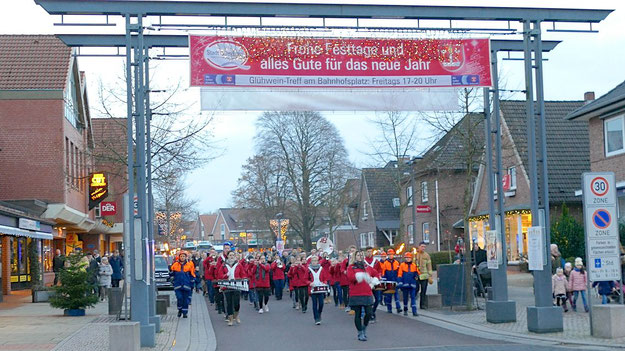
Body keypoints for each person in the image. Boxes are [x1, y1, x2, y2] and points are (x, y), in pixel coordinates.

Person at [347, 250, 380, 342]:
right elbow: (350, 278)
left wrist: (374, 282)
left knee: (369, 313)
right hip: (356, 293)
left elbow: (376, 273)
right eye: (358, 255)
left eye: (361, 255)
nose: (360, 257)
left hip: (367, 292)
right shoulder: (351, 267)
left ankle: (364, 327)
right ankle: (360, 332)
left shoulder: (367, 267)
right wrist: (360, 275)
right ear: (355, 257)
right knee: (357, 314)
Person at [217, 251, 246, 326]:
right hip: (227, 286)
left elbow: (243, 274)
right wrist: (226, 275)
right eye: (230, 255)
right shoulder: (223, 265)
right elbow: (220, 276)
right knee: (229, 303)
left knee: (237, 303)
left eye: (233, 255)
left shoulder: (238, 265)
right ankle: (230, 319)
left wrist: (243, 280)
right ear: (228, 257)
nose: (232, 256)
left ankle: (236, 316)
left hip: (236, 285)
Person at [170, 251, 195, 318]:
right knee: (179, 298)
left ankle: (185, 313)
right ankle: (180, 309)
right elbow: (171, 273)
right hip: (177, 285)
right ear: (179, 257)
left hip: (186, 285)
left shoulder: (189, 265)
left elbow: (192, 275)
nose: (182, 257)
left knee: (185, 300)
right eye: (181, 256)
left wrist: (192, 284)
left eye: (183, 256)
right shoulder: (175, 265)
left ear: (186, 257)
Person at [307, 255, 330, 325]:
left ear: (318, 261)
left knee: (321, 303)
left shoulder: (321, 269)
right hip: (313, 289)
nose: (314, 262)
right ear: (311, 261)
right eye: (313, 261)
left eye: (316, 261)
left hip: (320, 289)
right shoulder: (308, 269)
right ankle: (316, 318)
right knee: (314, 304)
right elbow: (305, 279)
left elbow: (325, 278)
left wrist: (324, 283)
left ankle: (319, 313)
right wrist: (310, 283)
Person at [398, 252, 420, 316]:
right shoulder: (402, 265)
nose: (408, 259)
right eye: (406, 258)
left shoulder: (414, 265)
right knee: (405, 298)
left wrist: (416, 274)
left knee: (413, 298)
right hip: (405, 285)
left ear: (411, 258)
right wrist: (400, 282)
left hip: (412, 284)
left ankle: (414, 311)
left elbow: (418, 273)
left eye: (409, 258)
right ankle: (405, 309)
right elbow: (400, 274)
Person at [364, 247, 382, 321]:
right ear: (366, 252)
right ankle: (371, 314)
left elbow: (380, 270)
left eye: (371, 251)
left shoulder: (376, 261)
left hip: (375, 282)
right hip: (367, 283)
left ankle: (372, 312)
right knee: (369, 300)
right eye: (368, 251)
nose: (369, 253)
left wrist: (379, 276)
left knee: (378, 299)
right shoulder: (363, 261)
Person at [381, 249, 401, 314]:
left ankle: (398, 307)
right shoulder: (385, 263)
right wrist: (384, 280)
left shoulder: (397, 263)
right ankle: (389, 308)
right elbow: (383, 273)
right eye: (389, 254)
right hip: (388, 281)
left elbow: (399, 272)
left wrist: (399, 280)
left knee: (396, 295)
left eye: (392, 254)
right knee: (389, 296)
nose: (391, 256)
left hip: (395, 280)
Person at [415, 242, 433, 310]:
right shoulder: (415, 254)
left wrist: (430, 275)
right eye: (422, 246)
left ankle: (422, 305)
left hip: (424, 276)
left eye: (424, 247)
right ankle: (413, 302)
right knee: (416, 289)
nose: (423, 248)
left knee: (423, 291)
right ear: (419, 246)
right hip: (416, 275)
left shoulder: (427, 255)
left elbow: (429, 266)